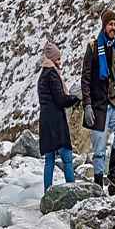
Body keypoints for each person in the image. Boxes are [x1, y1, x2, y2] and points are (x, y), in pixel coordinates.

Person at [81, 9, 115, 189]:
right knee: (99, 149)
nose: (114, 28)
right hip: (97, 106)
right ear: (104, 26)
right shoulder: (94, 47)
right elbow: (85, 78)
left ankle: (112, 171)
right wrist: (87, 105)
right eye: (111, 24)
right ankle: (97, 185)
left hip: (114, 103)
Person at [37, 41, 80, 191]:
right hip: (56, 122)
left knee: (49, 160)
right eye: (58, 58)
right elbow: (61, 99)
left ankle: (47, 192)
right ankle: (72, 190)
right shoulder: (52, 74)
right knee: (67, 157)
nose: (60, 62)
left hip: (45, 121)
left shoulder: (42, 75)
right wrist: (75, 98)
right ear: (53, 58)